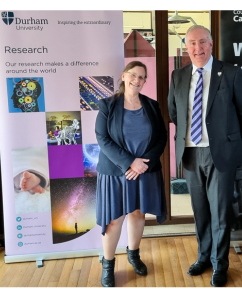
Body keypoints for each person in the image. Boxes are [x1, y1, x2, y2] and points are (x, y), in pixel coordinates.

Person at [168, 25, 242, 287]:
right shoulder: (178, 76)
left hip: (221, 155)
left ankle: (220, 264)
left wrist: (227, 139)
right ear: (186, 47)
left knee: (219, 212)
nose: (197, 48)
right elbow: (175, 113)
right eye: (192, 43)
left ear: (211, 44)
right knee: (200, 212)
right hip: (191, 154)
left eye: (202, 42)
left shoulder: (230, 73)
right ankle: (203, 257)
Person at [95, 60, 167, 287]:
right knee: (114, 220)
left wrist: (144, 164)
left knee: (137, 213)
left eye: (142, 77)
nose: (138, 80)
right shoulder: (108, 105)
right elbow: (102, 139)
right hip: (117, 172)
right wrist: (129, 163)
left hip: (144, 171)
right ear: (124, 76)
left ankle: (133, 255)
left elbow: (161, 137)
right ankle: (108, 265)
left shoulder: (152, 105)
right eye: (134, 75)